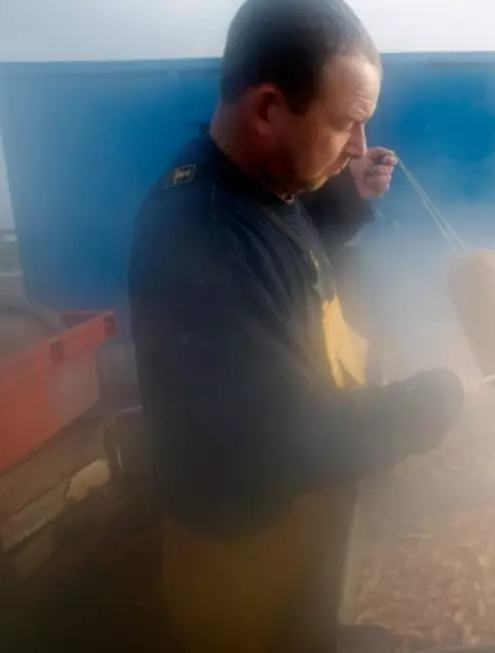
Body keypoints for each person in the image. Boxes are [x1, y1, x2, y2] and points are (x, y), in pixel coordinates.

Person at [127, 0, 464, 651]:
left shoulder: (256, 185)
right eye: (346, 125)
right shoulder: (204, 232)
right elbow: (278, 439)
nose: (359, 148)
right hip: (244, 559)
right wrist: (429, 404)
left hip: (296, 515)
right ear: (267, 109)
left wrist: (347, 196)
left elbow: (287, 246)